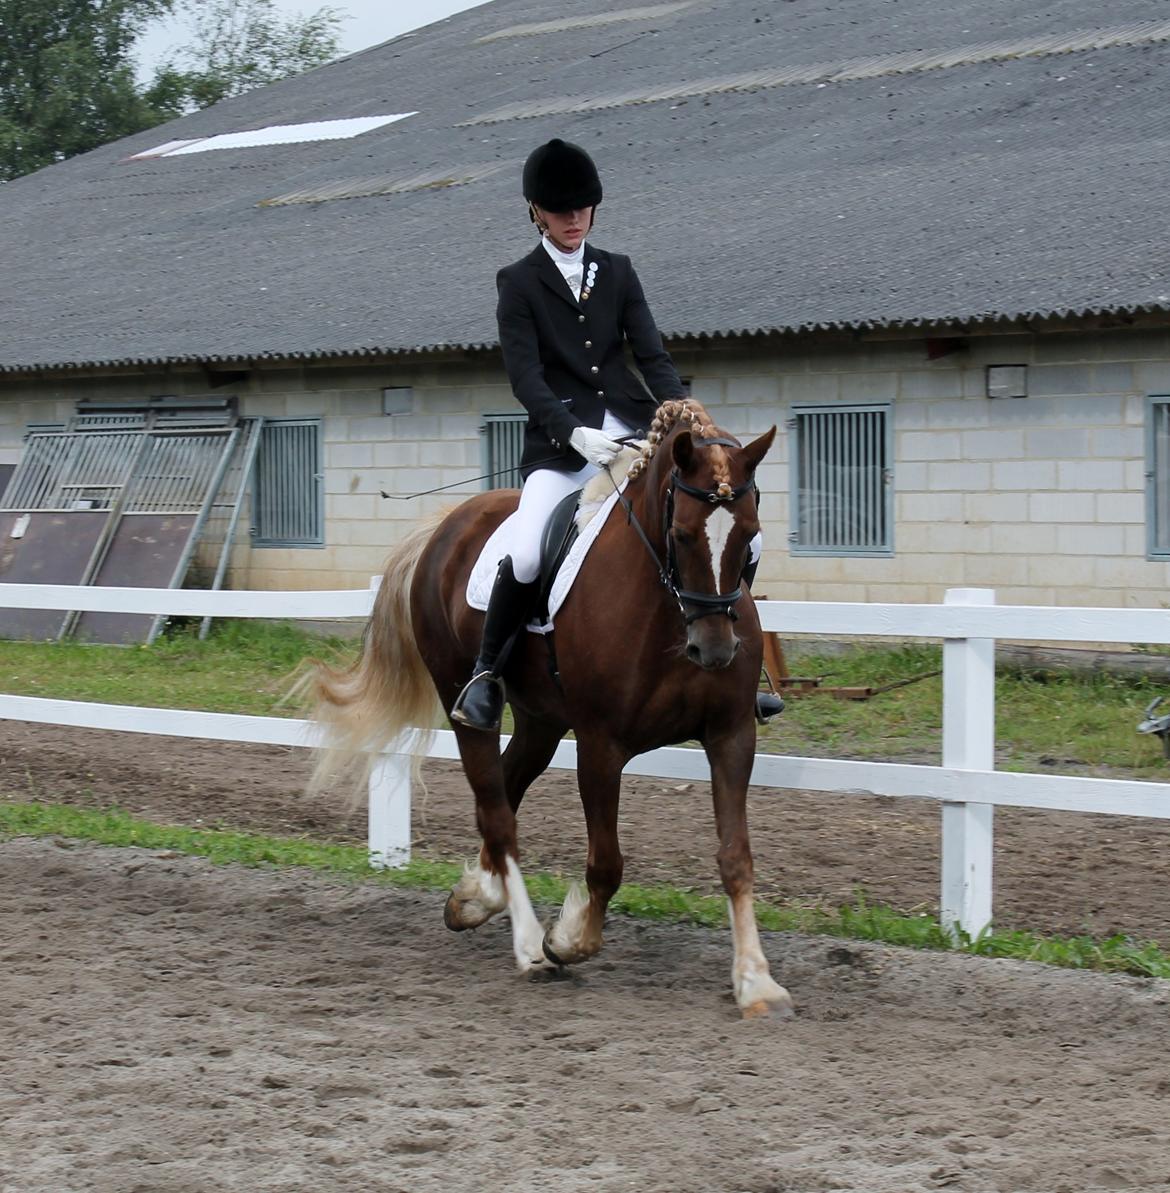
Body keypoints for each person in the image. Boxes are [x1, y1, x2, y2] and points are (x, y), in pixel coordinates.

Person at [451, 138, 782, 731]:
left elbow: (651, 356)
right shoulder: (518, 282)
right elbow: (526, 378)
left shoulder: (619, 271)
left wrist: (685, 412)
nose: (572, 219)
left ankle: (739, 664)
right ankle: (486, 674)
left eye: (581, 208)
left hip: (635, 440)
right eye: (559, 210)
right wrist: (574, 434)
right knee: (526, 552)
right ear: (536, 211)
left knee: (734, 534)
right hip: (563, 451)